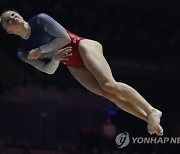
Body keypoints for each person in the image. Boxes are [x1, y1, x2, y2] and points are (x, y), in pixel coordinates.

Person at [0, 10, 163, 136]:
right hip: (71, 63)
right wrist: (55, 58)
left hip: (83, 46)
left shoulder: (40, 20)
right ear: (9, 31)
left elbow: (64, 39)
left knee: (108, 84)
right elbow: (48, 70)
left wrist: (41, 50)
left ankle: (152, 110)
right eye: (8, 20)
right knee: (109, 95)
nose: (12, 17)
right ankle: (148, 119)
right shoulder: (23, 52)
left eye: (13, 13)